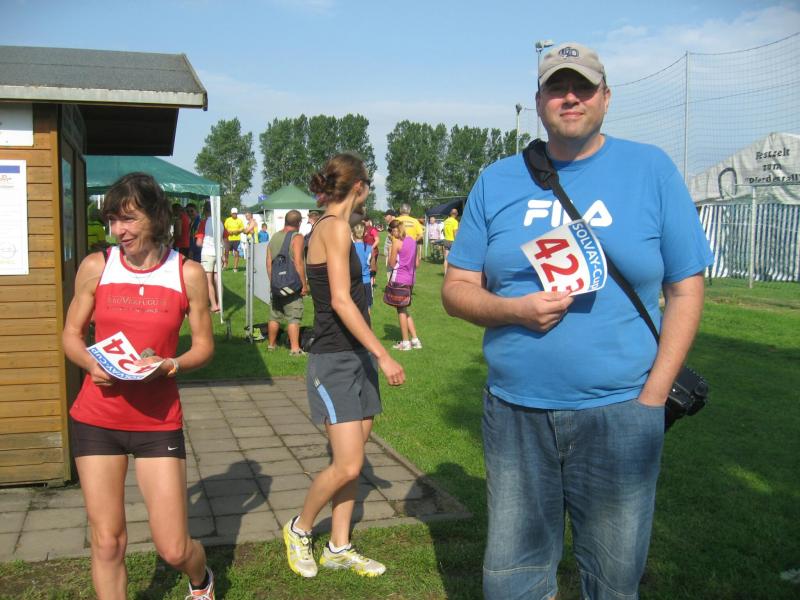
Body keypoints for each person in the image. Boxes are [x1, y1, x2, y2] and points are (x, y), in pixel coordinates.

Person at [441, 42, 713, 600]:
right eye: (557, 88)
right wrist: (512, 309)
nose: (571, 98)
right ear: (539, 101)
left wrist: (652, 399)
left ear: (606, 98)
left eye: (583, 87)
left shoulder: (651, 169)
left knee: (613, 582)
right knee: (512, 581)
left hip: (621, 413)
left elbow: (686, 287)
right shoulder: (497, 180)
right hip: (516, 412)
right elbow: (456, 289)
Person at [62, 173, 216, 600]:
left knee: (173, 547)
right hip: (97, 417)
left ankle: (201, 579)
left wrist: (170, 365)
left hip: (156, 422)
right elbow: (71, 335)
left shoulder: (186, 273)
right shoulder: (97, 266)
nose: (118, 230)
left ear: (155, 217)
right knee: (107, 541)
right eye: (113, 220)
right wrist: (90, 363)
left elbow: (204, 346)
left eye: (128, 219)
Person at [281, 153, 405, 579]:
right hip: (333, 359)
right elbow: (339, 300)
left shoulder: (337, 227)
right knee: (349, 465)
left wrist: (369, 354)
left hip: (355, 357)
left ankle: (338, 546)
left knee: (353, 457)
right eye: (368, 184)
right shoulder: (333, 227)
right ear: (359, 187)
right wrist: (384, 354)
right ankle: (299, 528)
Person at [266, 209, 308, 355]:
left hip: (276, 284)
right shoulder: (297, 237)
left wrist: (273, 282)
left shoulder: (274, 237)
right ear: (299, 223)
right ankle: (295, 349)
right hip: (292, 284)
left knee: (274, 315)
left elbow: (268, 263)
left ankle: (271, 345)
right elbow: (298, 262)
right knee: (293, 316)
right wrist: (304, 284)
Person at [387, 219, 422, 351]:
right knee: (404, 309)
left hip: (399, 279)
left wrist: (391, 251)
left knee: (401, 310)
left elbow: (391, 264)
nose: (391, 234)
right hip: (410, 279)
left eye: (391, 231)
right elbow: (417, 263)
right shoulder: (412, 240)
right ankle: (415, 340)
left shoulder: (396, 242)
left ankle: (405, 342)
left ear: (395, 230)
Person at [196, 201, 220, 313]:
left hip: (207, 253)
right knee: (217, 280)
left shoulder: (203, 223)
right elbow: (225, 240)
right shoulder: (220, 222)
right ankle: (220, 304)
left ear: (205, 210)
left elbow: (199, 242)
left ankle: (214, 305)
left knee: (209, 281)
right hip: (218, 253)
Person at [351, 221, 374, 317]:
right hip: (366, 282)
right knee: (367, 308)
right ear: (364, 234)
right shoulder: (369, 248)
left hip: (354, 282)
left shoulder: (350, 248)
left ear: (352, 234)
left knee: (353, 309)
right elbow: (373, 267)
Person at [224, 207, 244, 272]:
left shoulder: (239, 220)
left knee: (236, 253)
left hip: (237, 239)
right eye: (233, 213)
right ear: (231, 213)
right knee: (226, 253)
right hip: (229, 239)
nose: (234, 214)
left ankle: (235, 267)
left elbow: (242, 228)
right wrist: (228, 232)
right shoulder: (228, 220)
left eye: (235, 213)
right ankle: (225, 266)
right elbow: (224, 228)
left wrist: (237, 231)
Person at [441, 208, 459, 274]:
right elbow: (455, 233)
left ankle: (445, 274)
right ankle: (453, 274)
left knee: (446, 258)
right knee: (454, 259)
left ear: (450, 213)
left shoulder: (446, 221)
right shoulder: (455, 222)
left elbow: (443, 231)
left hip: (446, 240)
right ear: (456, 214)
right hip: (453, 241)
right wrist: (457, 241)